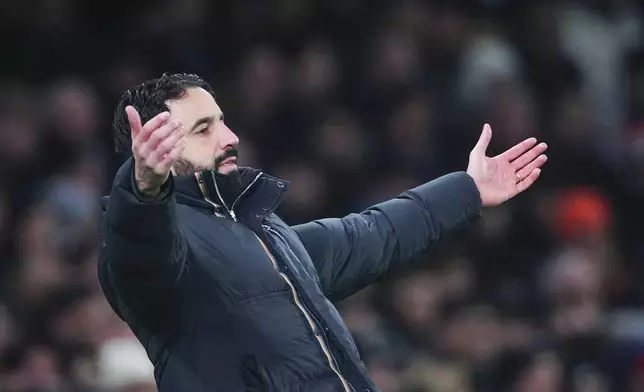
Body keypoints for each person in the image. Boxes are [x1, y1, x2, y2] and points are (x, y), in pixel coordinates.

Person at [98, 73, 548, 392]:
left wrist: (467, 189)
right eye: (204, 129)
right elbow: (141, 248)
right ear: (153, 149)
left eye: (222, 120)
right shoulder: (147, 246)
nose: (230, 136)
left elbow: (372, 233)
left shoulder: (268, 234)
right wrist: (143, 189)